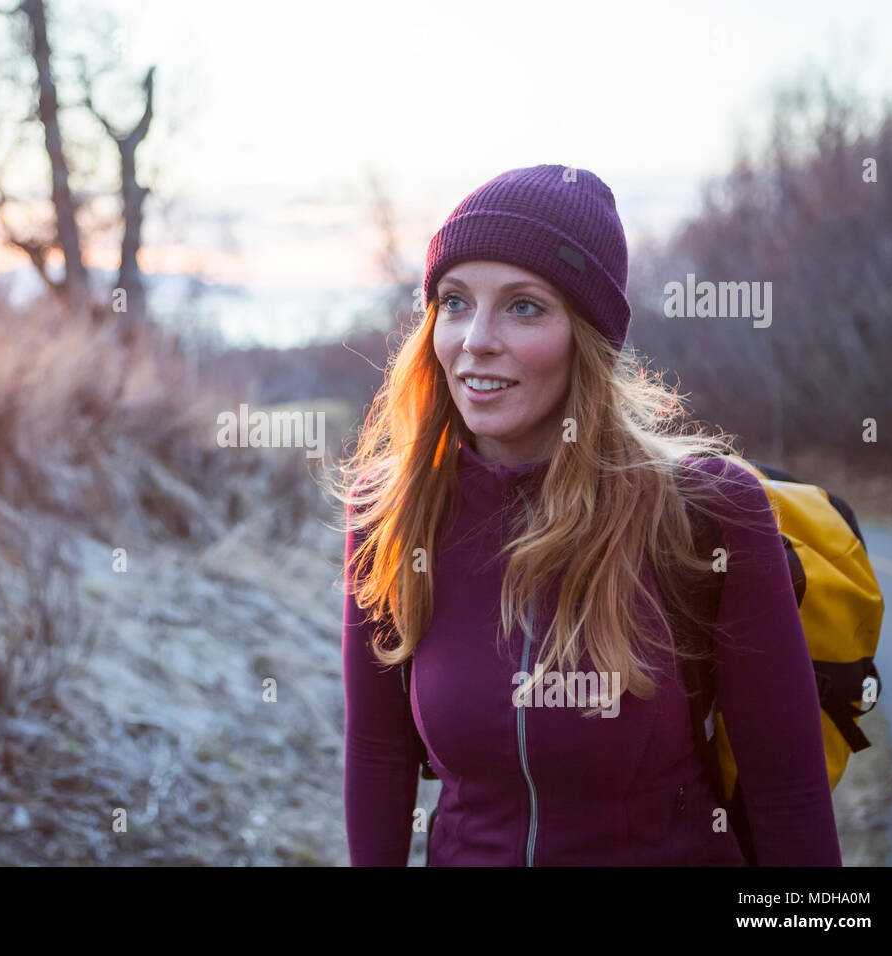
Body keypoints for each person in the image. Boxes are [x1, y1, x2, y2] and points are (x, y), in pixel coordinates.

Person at [332, 164, 841, 866]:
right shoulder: (390, 512)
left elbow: (787, 795)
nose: (476, 338)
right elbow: (379, 757)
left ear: (589, 338)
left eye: (524, 306)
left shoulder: (707, 512)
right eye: (454, 301)